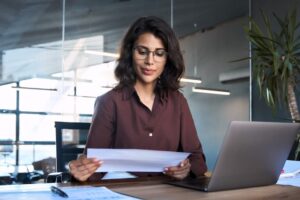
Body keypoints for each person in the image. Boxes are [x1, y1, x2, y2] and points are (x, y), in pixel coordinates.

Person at [69, 16, 207, 182]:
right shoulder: (109, 102)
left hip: (169, 193)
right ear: (130, 53)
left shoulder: (178, 102)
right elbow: (93, 169)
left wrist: (185, 170)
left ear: (167, 59)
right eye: (142, 52)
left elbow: (198, 160)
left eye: (159, 53)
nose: (150, 61)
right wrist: (82, 170)